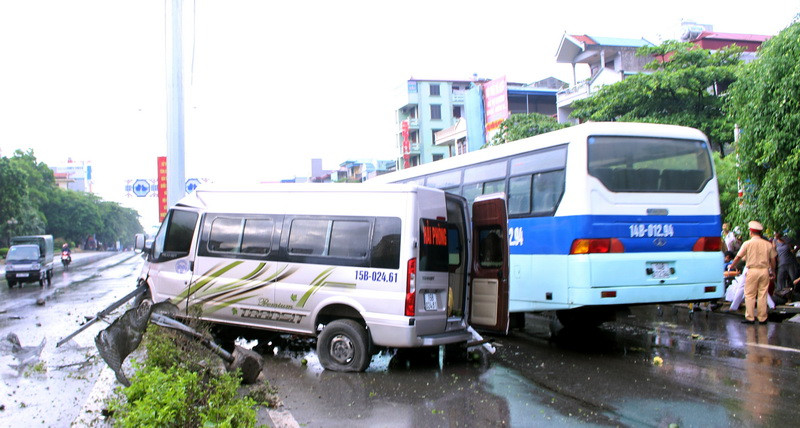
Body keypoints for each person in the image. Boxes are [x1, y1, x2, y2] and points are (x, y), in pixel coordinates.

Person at [728, 221, 777, 324]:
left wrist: (732, 266)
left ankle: (750, 317)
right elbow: (773, 259)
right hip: (764, 271)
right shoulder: (768, 244)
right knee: (762, 294)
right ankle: (762, 318)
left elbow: (738, 257)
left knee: (750, 294)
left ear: (751, 232)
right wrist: (772, 271)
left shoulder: (747, 243)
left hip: (752, 270)